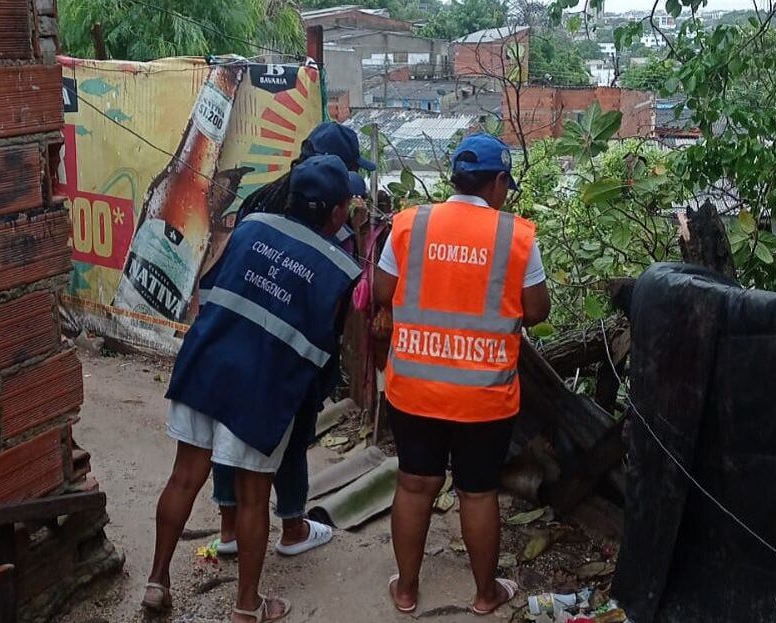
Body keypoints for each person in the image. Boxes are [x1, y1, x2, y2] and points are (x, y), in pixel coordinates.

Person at [143, 155, 363, 623]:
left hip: (205, 363)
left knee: (184, 476)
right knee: (253, 496)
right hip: (262, 386)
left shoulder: (252, 225)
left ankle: (157, 581)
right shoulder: (339, 271)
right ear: (339, 211)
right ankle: (247, 605)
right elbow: (325, 347)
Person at [373, 133, 551, 616]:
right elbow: (536, 310)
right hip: (483, 396)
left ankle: (406, 590)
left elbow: (383, 291)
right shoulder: (515, 236)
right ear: (496, 182)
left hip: (414, 389)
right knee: (477, 492)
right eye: (505, 186)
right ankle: (484, 593)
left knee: (414, 485)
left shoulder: (409, 224)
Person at [207, 122, 374, 557]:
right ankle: (292, 527)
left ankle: (229, 528)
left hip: (238, 335)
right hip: (292, 344)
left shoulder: (260, 202)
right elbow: (332, 301)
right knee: (293, 431)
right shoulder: (326, 223)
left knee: (231, 423)